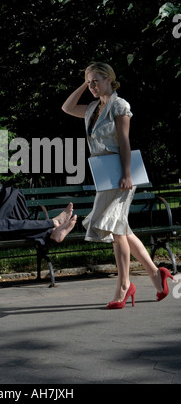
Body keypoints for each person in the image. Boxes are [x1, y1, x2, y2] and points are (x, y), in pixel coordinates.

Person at [62, 62, 174, 309]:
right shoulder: (92, 108)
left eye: (96, 81)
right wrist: (85, 81)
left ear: (109, 80)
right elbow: (67, 107)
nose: (92, 86)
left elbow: (124, 140)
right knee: (121, 227)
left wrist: (126, 174)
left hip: (121, 174)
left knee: (115, 229)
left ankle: (124, 285)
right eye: (89, 82)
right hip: (104, 175)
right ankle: (157, 275)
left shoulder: (120, 105)